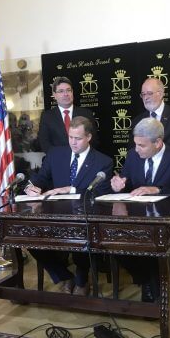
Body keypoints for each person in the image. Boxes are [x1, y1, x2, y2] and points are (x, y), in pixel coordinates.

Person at [25, 116, 112, 295]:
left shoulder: (103, 161)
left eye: (78, 138)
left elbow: (99, 193)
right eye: (70, 137)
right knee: (29, 238)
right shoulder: (56, 154)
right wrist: (31, 187)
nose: (73, 142)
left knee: (81, 234)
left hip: (84, 216)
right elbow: (40, 178)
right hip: (54, 215)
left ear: (88, 137)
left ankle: (81, 278)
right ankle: (64, 276)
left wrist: (70, 189)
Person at [111, 117, 170, 302]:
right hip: (137, 218)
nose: (136, 149)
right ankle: (147, 282)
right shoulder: (133, 155)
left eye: (142, 145)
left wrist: (158, 189)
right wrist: (119, 185)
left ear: (158, 142)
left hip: (166, 221)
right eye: (136, 144)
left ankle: (155, 293)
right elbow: (126, 181)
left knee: (154, 248)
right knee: (116, 245)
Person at [37, 76, 99, 153]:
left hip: (83, 160)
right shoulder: (47, 116)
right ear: (54, 95)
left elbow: (93, 140)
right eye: (61, 91)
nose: (65, 94)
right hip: (58, 161)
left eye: (68, 90)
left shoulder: (86, 114)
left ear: (72, 92)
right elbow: (44, 143)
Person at [131, 78, 170, 153]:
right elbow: (133, 149)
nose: (145, 98)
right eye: (143, 94)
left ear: (161, 94)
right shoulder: (137, 121)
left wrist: (158, 159)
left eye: (149, 93)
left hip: (169, 163)